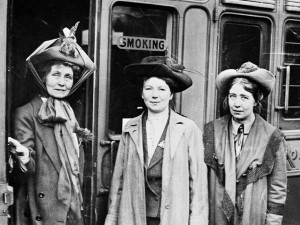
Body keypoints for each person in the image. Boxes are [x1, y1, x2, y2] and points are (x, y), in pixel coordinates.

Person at [8, 22, 96, 225]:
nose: (62, 82)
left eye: (68, 77)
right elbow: (26, 171)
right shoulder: (26, 113)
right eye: (56, 75)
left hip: (71, 206)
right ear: (43, 77)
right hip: (42, 210)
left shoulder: (71, 111)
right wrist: (23, 157)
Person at [104, 56, 208, 225]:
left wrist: (197, 220)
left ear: (171, 94)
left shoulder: (187, 129)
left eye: (161, 89)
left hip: (173, 217)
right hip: (135, 215)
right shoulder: (131, 128)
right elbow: (119, 180)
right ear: (142, 93)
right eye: (149, 89)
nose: (154, 95)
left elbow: (197, 183)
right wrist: (112, 218)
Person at [203, 62, 287, 225]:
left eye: (244, 97)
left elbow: (277, 190)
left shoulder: (273, 137)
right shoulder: (211, 131)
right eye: (232, 96)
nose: (236, 104)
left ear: (257, 100)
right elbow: (200, 182)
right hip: (216, 217)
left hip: (252, 218)